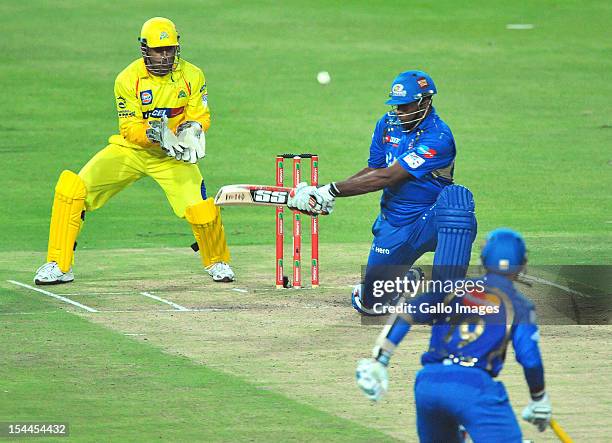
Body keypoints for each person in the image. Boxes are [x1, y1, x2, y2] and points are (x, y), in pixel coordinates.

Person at [34, 17, 235, 285]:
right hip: (130, 152)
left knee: (201, 207)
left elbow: (200, 114)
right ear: (145, 50)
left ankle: (218, 262)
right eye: (158, 50)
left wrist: (193, 130)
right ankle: (58, 265)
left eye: (170, 50)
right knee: (72, 190)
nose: (165, 57)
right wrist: (158, 136)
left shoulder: (192, 75)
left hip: (171, 157)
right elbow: (130, 128)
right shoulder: (128, 79)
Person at [288, 70, 477, 314]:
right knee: (371, 304)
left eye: (405, 106)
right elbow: (374, 169)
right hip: (396, 222)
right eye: (396, 105)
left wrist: (332, 190)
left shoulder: (438, 138)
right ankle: (402, 280)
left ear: (425, 102)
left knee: (457, 205)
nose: (398, 112)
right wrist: (324, 194)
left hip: (432, 218)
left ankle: (447, 296)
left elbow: (389, 176)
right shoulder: (387, 124)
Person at [355, 228, 553, 442]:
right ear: (521, 265)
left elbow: (407, 312)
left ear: (484, 259)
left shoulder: (452, 288)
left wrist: (380, 359)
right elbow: (530, 359)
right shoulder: (520, 306)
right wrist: (538, 398)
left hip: (429, 385)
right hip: (474, 388)